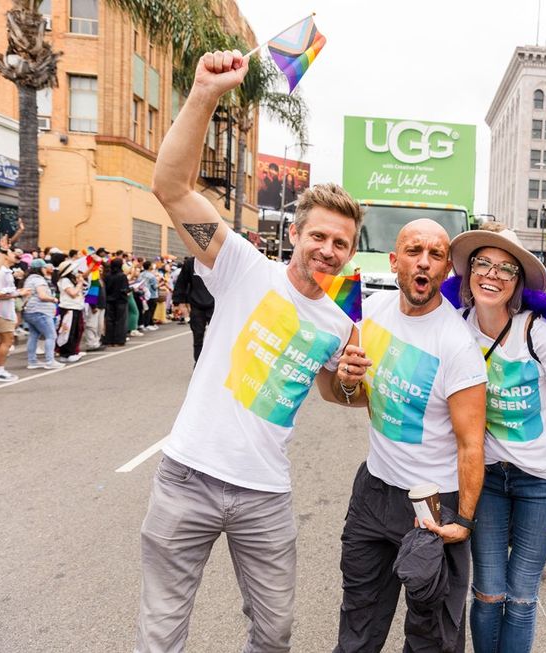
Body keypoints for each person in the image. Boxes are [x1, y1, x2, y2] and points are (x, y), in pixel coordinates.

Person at [135, 49, 363, 653]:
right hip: (188, 477)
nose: (328, 249)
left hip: (265, 493)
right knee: (161, 631)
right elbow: (168, 186)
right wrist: (205, 93)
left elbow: (332, 392)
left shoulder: (340, 325)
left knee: (275, 630)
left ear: (350, 252)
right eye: (318, 235)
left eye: (341, 242)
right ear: (295, 233)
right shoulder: (239, 265)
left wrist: (348, 379)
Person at [333, 218, 488, 652]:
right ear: (394, 261)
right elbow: (349, 393)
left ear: (445, 271)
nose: (424, 262)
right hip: (374, 492)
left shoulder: (456, 344)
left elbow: (471, 443)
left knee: (432, 636)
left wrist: (464, 522)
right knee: (357, 623)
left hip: (433, 506)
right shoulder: (370, 315)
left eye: (436, 254)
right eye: (414, 251)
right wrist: (346, 379)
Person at [448, 223, 546, 652]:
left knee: (522, 593)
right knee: (488, 590)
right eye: (483, 264)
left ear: (517, 284)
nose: (492, 275)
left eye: (505, 269)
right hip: (488, 476)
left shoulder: (540, 335)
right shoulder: (457, 326)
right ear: (470, 273)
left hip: (541, 482)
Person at [0, 242, 30, 382]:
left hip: (4, 310)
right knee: (7, 341)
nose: (14, 255)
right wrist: (19, 293)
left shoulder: (6, 272)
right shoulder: (2, 273)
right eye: (10, 253)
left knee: (2, 341)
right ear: (4, 257)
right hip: (2, 311)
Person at [171, 256, 215, 363]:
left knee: (216, 336)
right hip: (197, 305)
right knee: (198, 337)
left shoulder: (216, 260)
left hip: (215, 304)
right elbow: (181, 282)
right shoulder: (191, 263)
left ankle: (215, 365)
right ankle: (198, 364)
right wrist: (177, 301)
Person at [21, 259, 64, 370]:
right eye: (44, 267)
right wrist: (54, 299)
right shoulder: (39, 280)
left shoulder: (29, 279)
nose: (46, 269)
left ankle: (32, 361)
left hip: (30, 311)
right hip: (40, 311)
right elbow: (42, 296)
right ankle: (50, 361)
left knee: (33, 335)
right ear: (40, 268)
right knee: (51, 335)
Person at [55, 259, 86, 362]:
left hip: (76, 307)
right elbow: (72, 293)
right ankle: (67, 353)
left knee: (77, 330)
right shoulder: (64, 281)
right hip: (69, 308)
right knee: (69, 331)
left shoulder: (71, 280)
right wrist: (79, 284)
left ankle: (72, 351)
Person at [103, 258, 129, 347]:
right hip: (120, 300)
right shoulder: (122, 276)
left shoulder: (107, 275)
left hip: (109, 300)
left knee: (109, 320)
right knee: (120, 320)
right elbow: (125, 289)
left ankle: (109, 340)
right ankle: (119, 340)